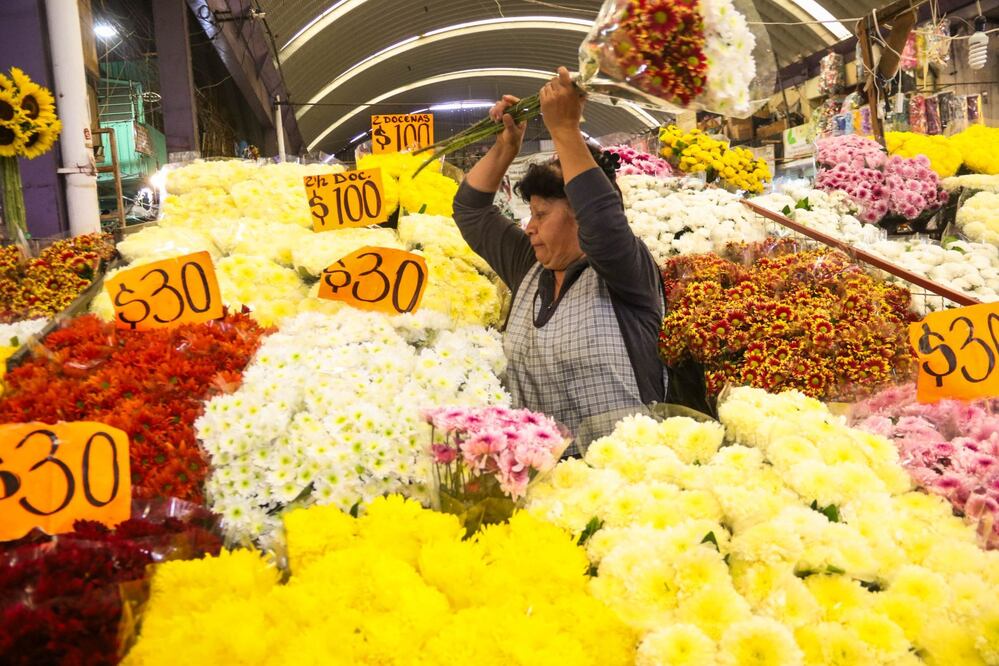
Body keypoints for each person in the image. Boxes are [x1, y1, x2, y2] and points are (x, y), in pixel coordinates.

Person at [452, 67, 666, 451]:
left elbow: (603, 220)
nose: (529, 227)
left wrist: (566, 129)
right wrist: (505, 147)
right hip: (538, 472)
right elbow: (471, 210)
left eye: (542, 215)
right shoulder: (528, 266)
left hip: (626, 470)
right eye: (530, 213)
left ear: (578, 216)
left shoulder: (624, 271)